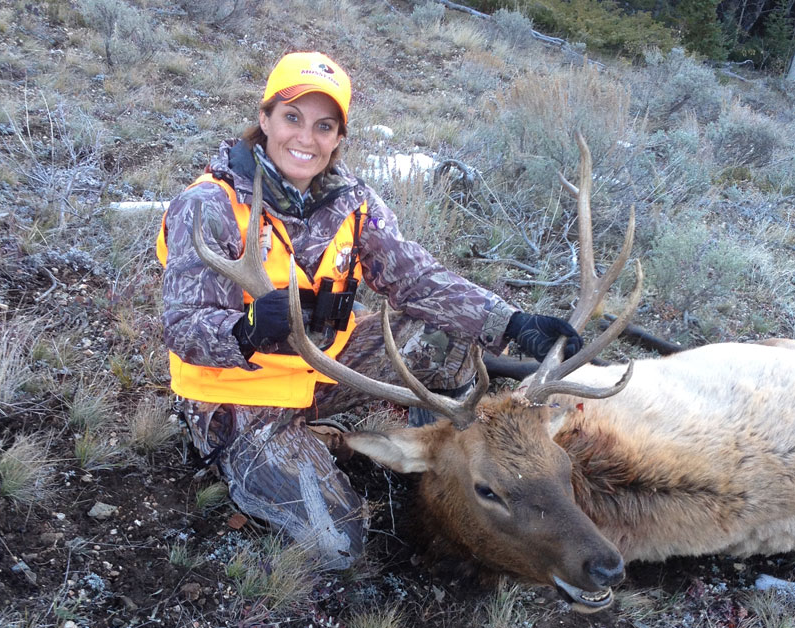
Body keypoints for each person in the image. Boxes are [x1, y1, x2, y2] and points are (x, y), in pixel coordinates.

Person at [156, 51, 582, 569]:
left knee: (445, 338)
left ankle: (446, 461)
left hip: (323, 373)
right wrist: (245, 329)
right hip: (238, 403)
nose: (305, 139)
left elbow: (415, 278)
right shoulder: (210, 205)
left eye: (324, 125)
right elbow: (182, 326)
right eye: (292, 118)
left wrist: (510, 322)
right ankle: (262, 456)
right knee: (341, 542)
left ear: (338, 137)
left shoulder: (353, 203)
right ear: (265, 119)